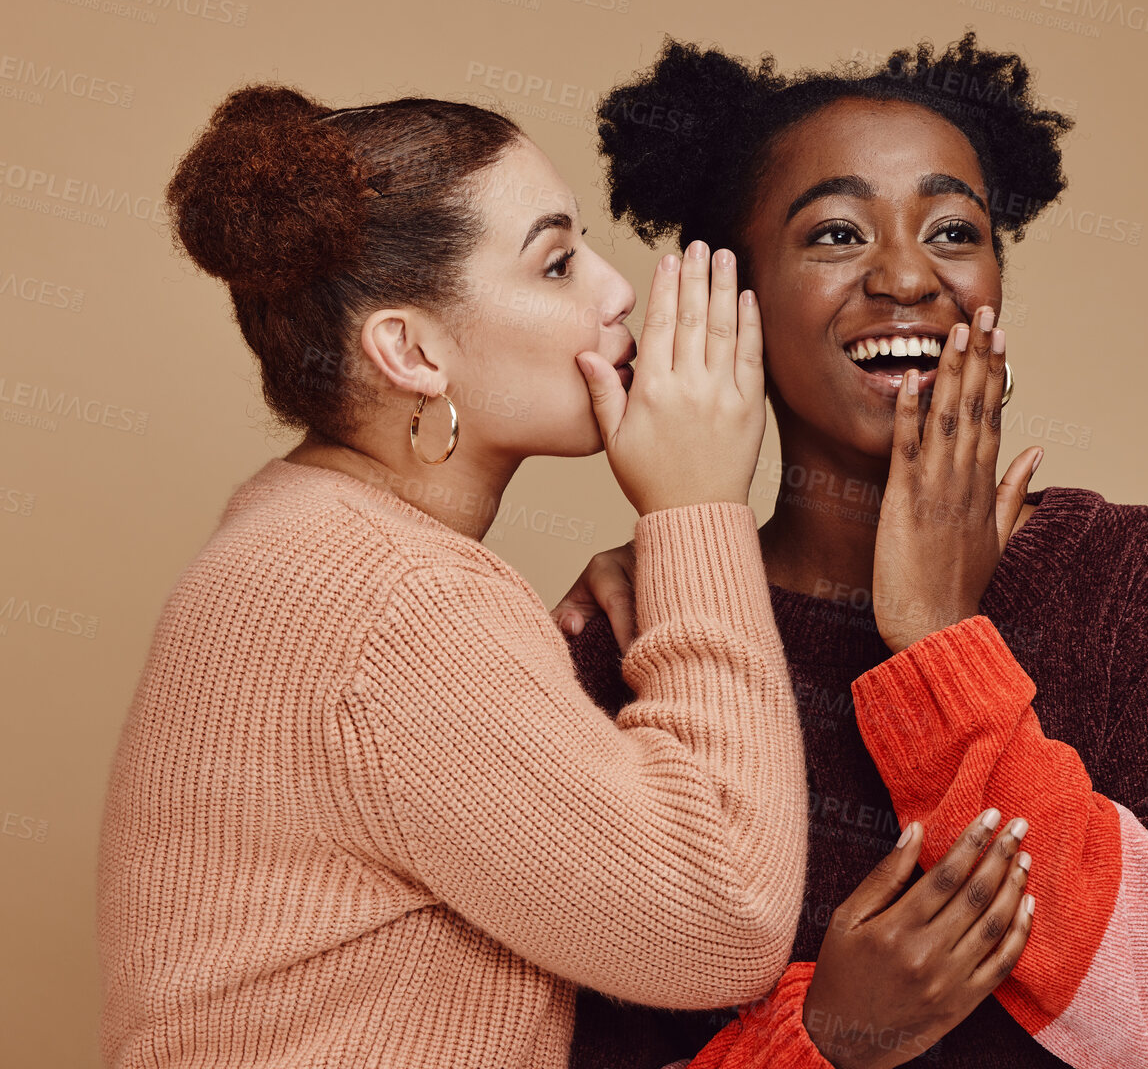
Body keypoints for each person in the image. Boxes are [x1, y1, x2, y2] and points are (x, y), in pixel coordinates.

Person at [556, 35, 1148, 1068]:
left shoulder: (1142, 581)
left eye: (951, 229)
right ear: (734, 296)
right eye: (837, 233)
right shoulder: (643, 638)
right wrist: (824, 1037)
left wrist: (939, 640)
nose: (905, 275)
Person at [96, 85, 814, 1069]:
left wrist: (667, 571)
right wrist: (696, 510)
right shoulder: (392, 598)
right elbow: (720, 918)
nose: (613, 291)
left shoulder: (306, 544)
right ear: (408, 350)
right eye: (555, 262)